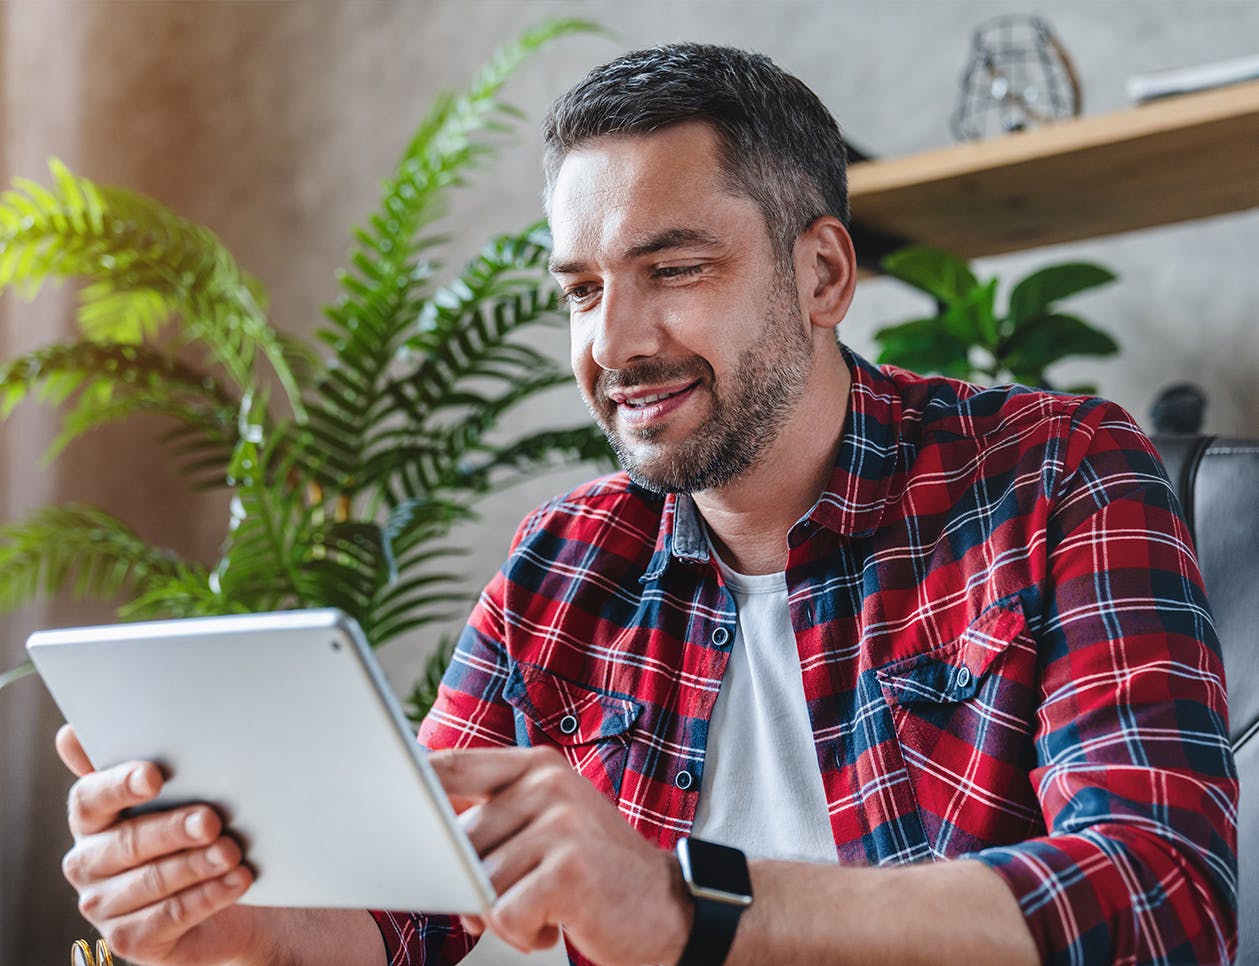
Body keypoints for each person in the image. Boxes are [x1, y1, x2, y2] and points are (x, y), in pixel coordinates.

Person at [56, 43, 1237, 966]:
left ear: (821, 273)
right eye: (581, 290)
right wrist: (237, 930)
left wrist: (679, 907)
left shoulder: (1056, 476)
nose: (612, 344)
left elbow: (1160, 900)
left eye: (673, 270)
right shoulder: (564, 564)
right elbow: (405, 914)